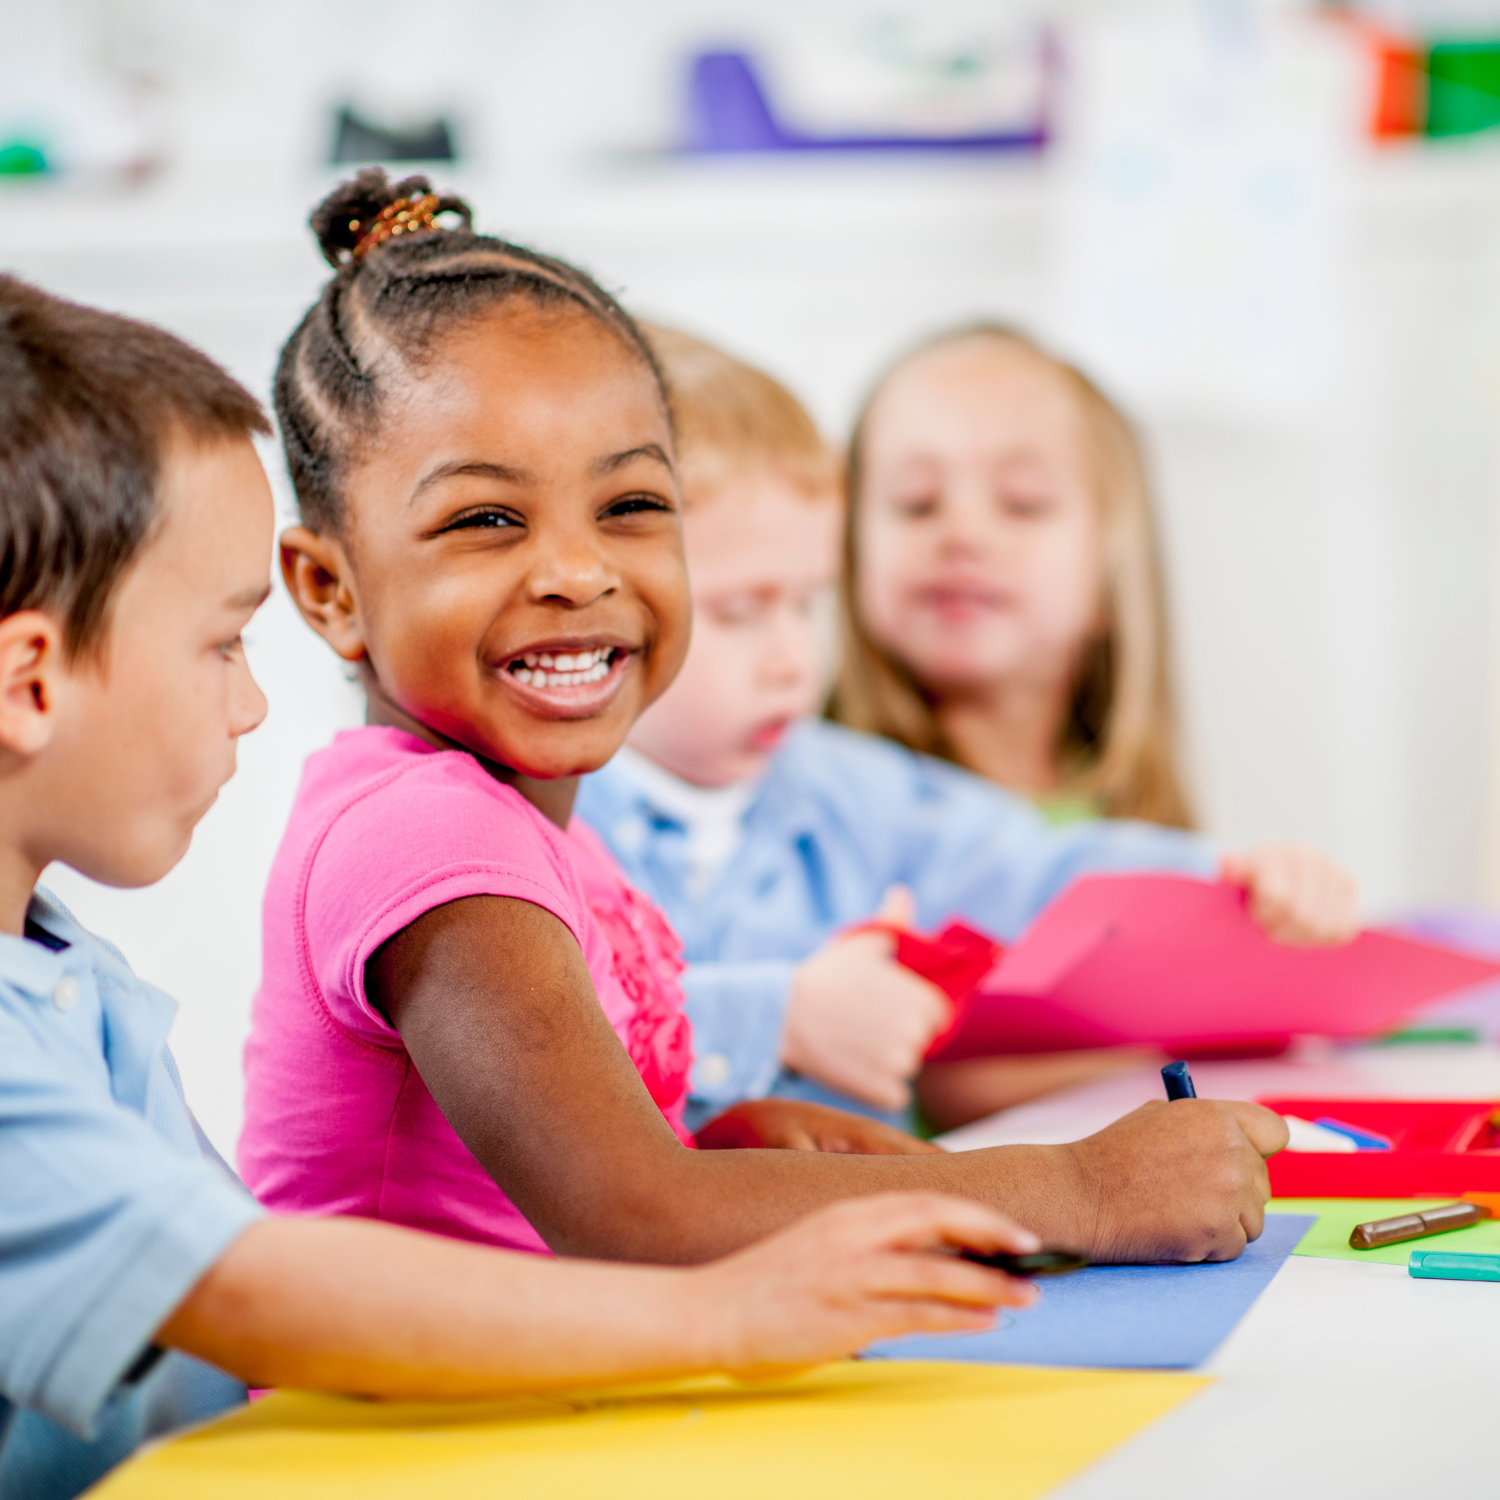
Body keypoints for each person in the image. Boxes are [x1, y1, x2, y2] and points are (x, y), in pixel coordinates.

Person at [0, 274, 1044, 1500]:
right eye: (223, 644)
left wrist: (712, 1155)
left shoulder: (67, 973)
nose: (251, 701)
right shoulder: (417, 832)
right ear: (33, 682)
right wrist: (729, 1314)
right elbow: (239, 1285)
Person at [246, 169, 1288, 1281]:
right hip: (392, 1443)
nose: (577, 570)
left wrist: (729, 1143)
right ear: (330, 591)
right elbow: (635, 1215)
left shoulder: (536, 827)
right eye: (486, 518)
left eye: (631, 506)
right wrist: (1086, 1188)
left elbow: (598, 1179)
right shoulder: (431, 842)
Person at [579, 326, 1362, 1134]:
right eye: (742, 611)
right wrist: (779, 1019)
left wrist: (1236, 880)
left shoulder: (852, 788)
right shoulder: (546, 816)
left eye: (810, 605)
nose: (794, 659)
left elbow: (1037, 870)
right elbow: (535, 1033)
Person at [831, 323, 1192, 826]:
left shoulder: (1142, 844)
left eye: (1023, 503)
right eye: (917, 503)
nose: (963, 534)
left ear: (1111, 572)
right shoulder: (808, 809)